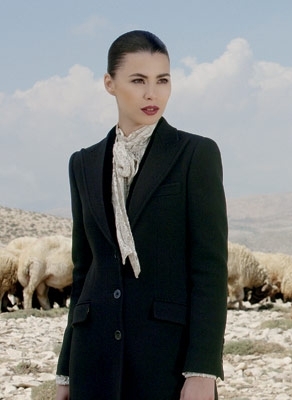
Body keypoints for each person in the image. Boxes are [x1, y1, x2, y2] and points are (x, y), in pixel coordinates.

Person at [55, 30, 228, 400]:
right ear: (110, 84)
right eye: (138, 80)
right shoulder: (83, 163)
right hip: (93, 361)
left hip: (166, 361)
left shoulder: (195, 155)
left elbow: (210, 270)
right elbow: (84, 271)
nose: (153, 94)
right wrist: (65, 370)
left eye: (162, 80)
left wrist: (203, 370)